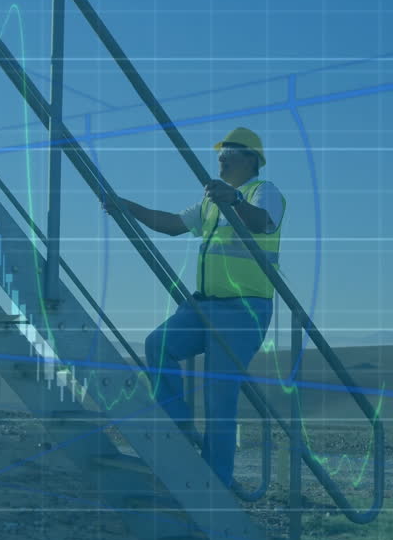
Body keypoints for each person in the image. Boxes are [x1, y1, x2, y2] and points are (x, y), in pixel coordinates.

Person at [103, 127, 286, 487]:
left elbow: (264, 222)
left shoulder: (264, 192)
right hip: (204, 305)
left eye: (229, 150)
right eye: (220, 151)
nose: (220, 156)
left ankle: (215, 480)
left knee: (220, 395)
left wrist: (232, 201)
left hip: (244, 309)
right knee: (159, 345)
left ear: (251, 158)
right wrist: (127, 206)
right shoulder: (209, 201)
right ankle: (180, 426)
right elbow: (171, 225)